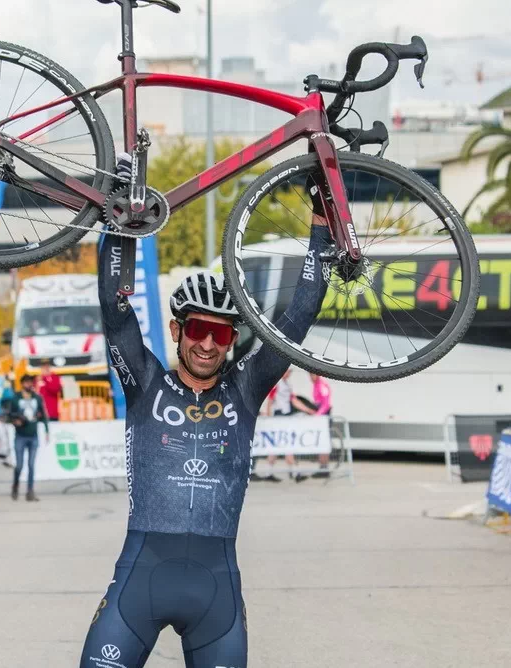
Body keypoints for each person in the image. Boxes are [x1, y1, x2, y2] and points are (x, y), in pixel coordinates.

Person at [78, 175, 329, 668]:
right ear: (177, 329)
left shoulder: (246, 387)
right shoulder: (144, 382)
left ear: (232, 340)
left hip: (216, 595)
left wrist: (321, 222)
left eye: (220, 333)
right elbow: (114, 305)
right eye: (198, 329)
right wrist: (117, 216)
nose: (208, 344)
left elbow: (301, 312)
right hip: (139, 582)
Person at [256, 368, 312, 483]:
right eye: (288, 371)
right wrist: (269, 417)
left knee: (276, 446)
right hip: (278, 416)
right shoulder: (277, 384)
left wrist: (308, 410)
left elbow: (294, 400)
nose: (289, 374)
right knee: (287, 444)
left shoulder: (288, 384)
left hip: (284, 416)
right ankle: (296, 473)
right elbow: (270, 400)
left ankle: (269, 472)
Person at [8, 375, 49, 501]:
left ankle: (30, 491)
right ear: (22, 384)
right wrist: (15, 421)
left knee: (31, 465)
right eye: (26, 382)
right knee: (19, 465)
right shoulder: (16, 398)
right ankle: (15, 486)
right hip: (20, 436)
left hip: (33, 436)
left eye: (30, 382)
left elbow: (43, 414)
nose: (29, 385)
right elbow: (9, 415)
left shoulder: (37, 398)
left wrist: (47, 430)